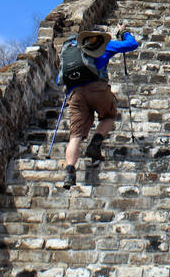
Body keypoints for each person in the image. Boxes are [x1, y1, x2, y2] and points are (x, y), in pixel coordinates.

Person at [60, 25, 140, 188]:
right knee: (109, 116)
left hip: (75, 94)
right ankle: (95, 143)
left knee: (75, 135)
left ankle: (69, 171)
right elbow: (132, 44)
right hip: (98, 88)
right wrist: (123, 32)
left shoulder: (73, 52)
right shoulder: (104, 45)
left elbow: (58, 79)